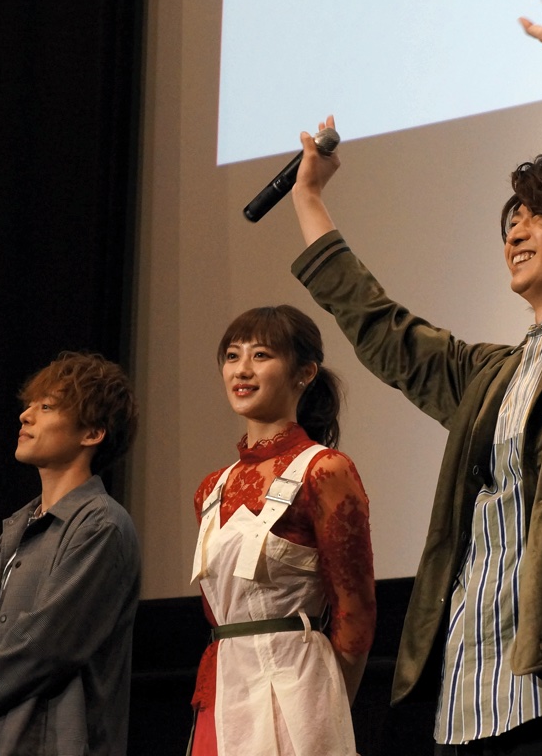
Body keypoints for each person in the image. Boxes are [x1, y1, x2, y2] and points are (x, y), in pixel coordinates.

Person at [287, 0, 542, 755]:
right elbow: (383, 330)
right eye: (511, 218)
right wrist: (309, 200)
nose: (517, 229)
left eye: (538, 214)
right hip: (467, 694)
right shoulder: (489, 375)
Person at [0, 352, 141, 756]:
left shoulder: (101, 526)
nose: (25, 416)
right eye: (30, 405)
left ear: (92, 433)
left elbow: (44, 647)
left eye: (46, 407)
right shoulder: (14, 532)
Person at [189, 305, 376, 756]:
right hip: (222, 691)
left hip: (297, 689)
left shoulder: (324, 469)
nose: (242, 370)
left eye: (261, 355)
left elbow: (355, 611)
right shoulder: (211, 489)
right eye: (232, 356)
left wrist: (329, 706)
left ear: (305, 372)